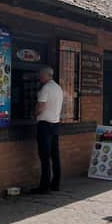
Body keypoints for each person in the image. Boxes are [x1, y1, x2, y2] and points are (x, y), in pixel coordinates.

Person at [31, 66, 64, 194]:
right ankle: (56, 184)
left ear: (46, 75)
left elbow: (41, 107)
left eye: (40, 75)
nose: (39, 77)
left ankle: (44, 187)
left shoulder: (45, 88)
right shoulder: (58, 88)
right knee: (55, 155)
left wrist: (34, 114)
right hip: (56, 124)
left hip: (45, 125)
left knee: (44, 156)